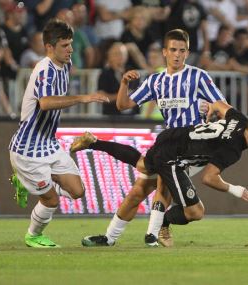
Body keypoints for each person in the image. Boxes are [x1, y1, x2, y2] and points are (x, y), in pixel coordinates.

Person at [72, 29, 227, 247]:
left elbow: (222, 105)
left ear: (187, 53)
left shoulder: (198, 76)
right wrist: (124, 84)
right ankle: (110, 238)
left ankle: (153, 234)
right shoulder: (156, 81)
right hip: (168, 142)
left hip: (191, 147)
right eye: (173, 50)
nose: (177, 55)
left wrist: (218, 112)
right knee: (138, 190)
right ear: (165, 52)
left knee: (164, 179)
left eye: (182, 51)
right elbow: (123, 105)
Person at [74, 103, 248, 247]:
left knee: (143, 165)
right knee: (195, 212)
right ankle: (158, 229)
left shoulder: (239, 119)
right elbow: (209, 177)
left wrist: (211, 111)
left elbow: (219, 105)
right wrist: (236, 190)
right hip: (174, 157)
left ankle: (94, 142)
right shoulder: (232, 149)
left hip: (171, 136)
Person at [8, 19, 110, 248]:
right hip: (28, 149)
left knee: (77, 191)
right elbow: (45, 103)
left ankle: (25, 182)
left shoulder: (67, 63)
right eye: (64, 45)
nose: (70, 50)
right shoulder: (45, 70)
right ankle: (33, 235)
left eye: (70, 44)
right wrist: (83, 98)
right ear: (49, 48)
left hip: (49, 144)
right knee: (51, 200)